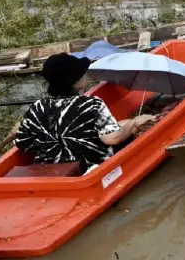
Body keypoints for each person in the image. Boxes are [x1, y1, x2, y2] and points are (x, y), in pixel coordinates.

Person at [15, 53, 156, 173]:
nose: (85, 75)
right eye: (82, 73)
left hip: (48, 168)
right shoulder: (91, 104)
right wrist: (135, 121)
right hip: (89, 167)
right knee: (130, 127)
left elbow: (23, 144)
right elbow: (112, 139)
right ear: (75, 81)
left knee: (123, 124)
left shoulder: (37, 107)